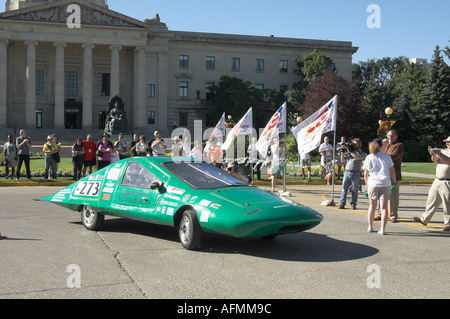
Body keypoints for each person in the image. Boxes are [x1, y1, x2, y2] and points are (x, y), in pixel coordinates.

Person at [413, 136, 450, 232]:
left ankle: (448, 223)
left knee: (447, 203)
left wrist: (440, 154)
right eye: (447, 142)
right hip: (438, 180)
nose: (447, 143)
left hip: (447, 181)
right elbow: (436, 161)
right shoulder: (444, 151)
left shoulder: (443, 153)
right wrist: (433, 154)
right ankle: (424, 219)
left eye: (449, 142)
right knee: (431, 200)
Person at [363, 139, 396, 235]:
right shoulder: (387, 156)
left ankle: (370, 226)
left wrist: (366, 184)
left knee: (372, 206)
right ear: (381, 146)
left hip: (372, 183)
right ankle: (382, 229)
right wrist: (393, 182)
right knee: (384, 207)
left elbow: (366, 173)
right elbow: (392, 170)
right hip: (385, 183)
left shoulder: (369, 157)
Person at [379, 130, 404, 222]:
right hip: (383, 174)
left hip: (394, 174)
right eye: (389, 135)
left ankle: (393, 215)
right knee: (381, 194)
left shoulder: (399, 146)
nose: (390, 137)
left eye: (392, 136)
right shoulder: (384, 144)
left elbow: (392, 157)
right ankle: (380, 213)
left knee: (393, 196)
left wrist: (381, 156)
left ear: (396, 137)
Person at [339, 138, 365, 209]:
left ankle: (353, 203)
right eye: (354, 143)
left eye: (356, 144)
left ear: (359, 145)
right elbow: (343, 160)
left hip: (355, 173)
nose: (355, 145)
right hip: (347, 172)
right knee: (344, 188)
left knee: (354, 190)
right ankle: (342, 203)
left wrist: (350, 152)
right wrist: (343, 152)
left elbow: (358, 158)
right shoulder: (349, 152)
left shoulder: (361, 153)